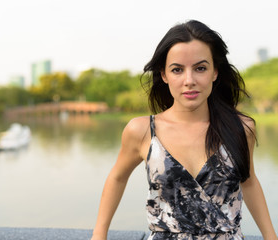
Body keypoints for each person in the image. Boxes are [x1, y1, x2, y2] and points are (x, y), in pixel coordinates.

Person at [91, 20, 277, 240]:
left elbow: (249, 181)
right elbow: (117, 178)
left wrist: (270, 236)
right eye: (177, 70)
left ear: (215, 72)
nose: (189, 80)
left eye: (200, 68)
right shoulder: (142, 130)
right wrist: (99, 234)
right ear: (164, 75)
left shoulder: (241, 128)